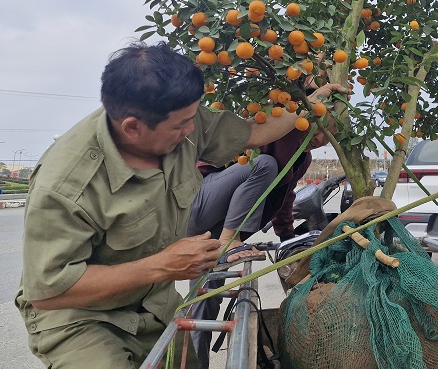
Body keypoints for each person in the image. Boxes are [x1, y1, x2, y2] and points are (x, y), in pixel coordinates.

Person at [15, 42, 343, 368]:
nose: (192, 130)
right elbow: (48, 291)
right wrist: (163, 265)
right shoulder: (65, 186)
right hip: (82, 320)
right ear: (132, 127)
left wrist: (308, 103)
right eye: (180, 125)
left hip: (152, 301)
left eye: (194, 117)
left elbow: (256, 132)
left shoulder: (179, 117)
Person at [186, 123, 328, 369]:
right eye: (317, 128)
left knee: (205, 301)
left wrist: (288, 238)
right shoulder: (284, 128)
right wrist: (309, 89)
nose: (319, 137)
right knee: (265, 164)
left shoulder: (302, 158)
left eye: (329, 134)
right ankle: (230, 242)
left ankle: (198, 365)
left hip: (218, 226)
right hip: (199, 200)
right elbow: (273, 155)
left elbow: (284, 197)